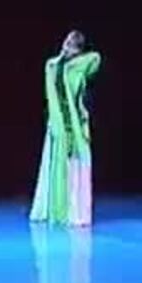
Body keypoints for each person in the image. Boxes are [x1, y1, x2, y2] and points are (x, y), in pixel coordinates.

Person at [29, 30, 100, 227]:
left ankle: (76, 211)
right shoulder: (53, 66)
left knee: (77, 163)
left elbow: (96, 58)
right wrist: (63, 59)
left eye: (71, 44)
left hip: (76, 122)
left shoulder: (78, 67)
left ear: (78, 50)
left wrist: (73, 61)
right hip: (58, 122)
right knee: (56, 165)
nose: (66, 46)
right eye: (66, 42)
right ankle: (58, 208)